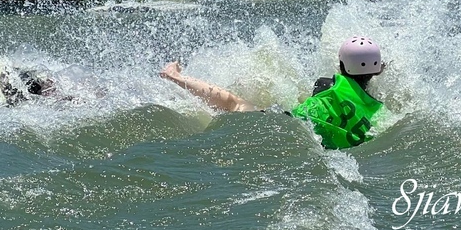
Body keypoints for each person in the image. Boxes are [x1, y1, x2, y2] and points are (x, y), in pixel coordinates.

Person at [160, 36, 385, 149]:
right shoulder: (378, 111)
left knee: (235, 104)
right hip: (321, 145)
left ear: (342, 66)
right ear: (376, 72)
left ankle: (174, 76)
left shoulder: (327, 83)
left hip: (288, 125)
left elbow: (316, 101)